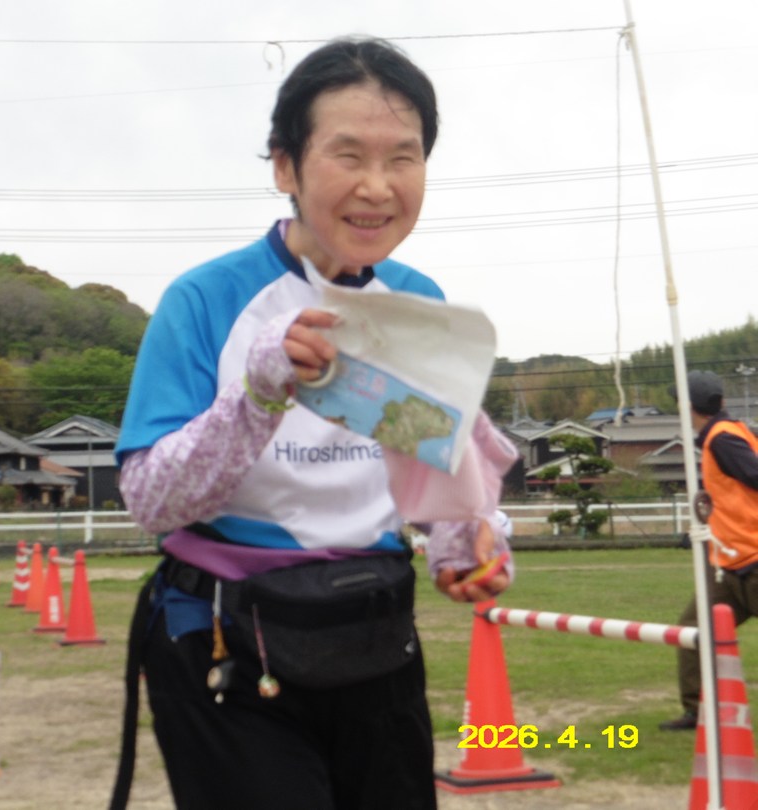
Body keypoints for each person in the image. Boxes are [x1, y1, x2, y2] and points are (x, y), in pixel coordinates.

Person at [109, 37, 516, 809]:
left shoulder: (421, 301)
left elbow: (438, 470)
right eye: (348, 155)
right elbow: (151, 502)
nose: (377, 186)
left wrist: (467, 541)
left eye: (403, 158)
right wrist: (260, 394)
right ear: (285, 166)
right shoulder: (206, 300)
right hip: (227, 645)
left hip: (374, 636)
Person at [661, 370, 758, 731]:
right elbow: (735, 497)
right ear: (721, 401)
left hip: (752, 559)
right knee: (692, 631)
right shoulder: (727, 434)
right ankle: (697, 711)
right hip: (728, 564)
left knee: (694, 631)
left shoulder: (723, 438)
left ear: (687, 407)